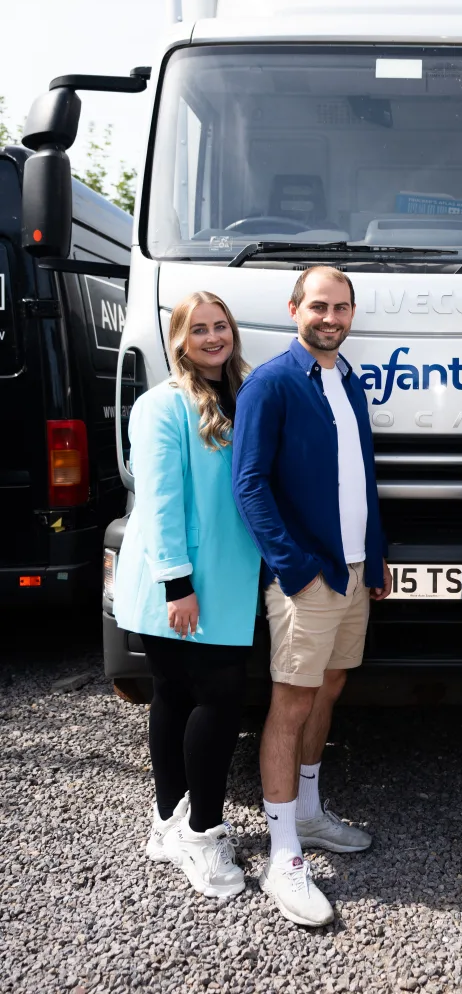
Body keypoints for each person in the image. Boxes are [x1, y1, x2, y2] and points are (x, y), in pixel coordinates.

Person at [232, 265, 392, 928]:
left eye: (342, 307)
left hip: (355, 571)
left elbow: (362, 479)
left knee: (329, 690)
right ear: (294, 307)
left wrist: (376, 555)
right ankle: (283, 854)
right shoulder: (269, 384)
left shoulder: (347, 377)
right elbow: (249, 486)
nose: (331, 317)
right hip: (310, 577)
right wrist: (296, 569)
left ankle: (308, 810)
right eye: (319, 306)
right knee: (291, 703)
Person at [113, 291, 260, 899]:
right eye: (197, 329)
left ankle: (168, 822)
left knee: (175, 695)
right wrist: (177, 581)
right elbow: (161, 500)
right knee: (214, 700)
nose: (211, 338)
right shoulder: (161, 405)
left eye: (219, 326)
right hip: (180, 584)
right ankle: (202, 833)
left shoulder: (243, 394)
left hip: (226, 578)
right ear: (178, 340)